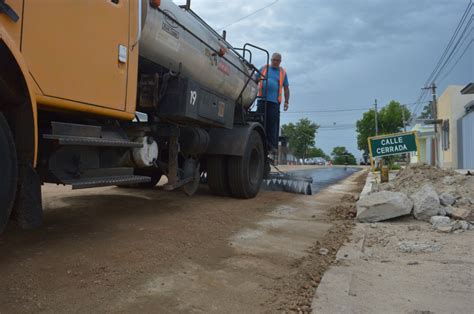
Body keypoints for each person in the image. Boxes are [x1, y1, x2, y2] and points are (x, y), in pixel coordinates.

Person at [256, 52, 290, 152]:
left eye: (277, 60)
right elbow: (255, 78)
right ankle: (260, 142)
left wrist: (286, 102)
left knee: (272, 124)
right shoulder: (264, 68)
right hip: (262, 100)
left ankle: (271, 146)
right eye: (273, 60)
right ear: (271, 60)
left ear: (280, 61)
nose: (275, 62)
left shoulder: (282, 72)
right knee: (260, 121)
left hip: (274, 102)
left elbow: (286, 88)